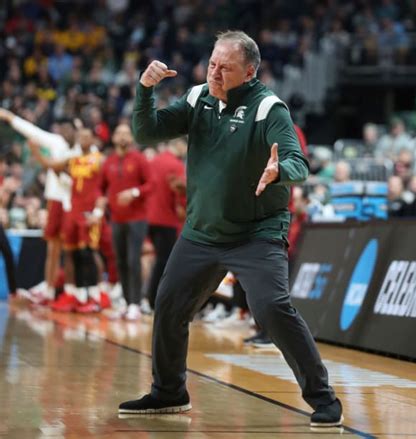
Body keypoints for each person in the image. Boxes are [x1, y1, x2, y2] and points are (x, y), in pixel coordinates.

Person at [119, 30, 343, 428]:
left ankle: (323, 398)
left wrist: (278, 171)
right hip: (202, 232)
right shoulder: (197, 98)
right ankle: (169, 392)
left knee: (272, 308)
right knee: (168, 305)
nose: (215, 73)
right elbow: (146, 132)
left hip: (256, 232)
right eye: (212, 64)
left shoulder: (268, 108)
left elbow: (299, 163)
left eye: (226, 67)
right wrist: (145, 90)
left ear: (251, 72)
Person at [0, 109, 79, 304]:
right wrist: (10, 117)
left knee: (71, 249)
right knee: (52, 247)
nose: (66, 132)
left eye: (70, 128)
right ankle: (50, 289)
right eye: (64, 128)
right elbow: (31, 130)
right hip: (55, 200)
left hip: (74, 203)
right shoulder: (56, 142)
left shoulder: (83, 150)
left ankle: (71, 290)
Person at [29, 127, 107, 312]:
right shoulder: (72, 160)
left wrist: (99, 212)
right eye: (81, 136)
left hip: (90, 213)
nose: (83, 139)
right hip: (73, 210)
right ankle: (73, 294)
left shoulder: (100, 160)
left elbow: (106, 188)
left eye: (87, 136)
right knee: (70, 253)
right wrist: (36, 152)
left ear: (93, 140)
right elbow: (50, 165)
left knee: (90, 253)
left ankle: (99, 295)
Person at [96, 123, 151, 320]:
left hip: (137, 218)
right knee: (119, 260)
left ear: (132, 137)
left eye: (126, 133)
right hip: (116, 220)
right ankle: (127, 303)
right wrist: (100, 201)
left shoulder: (139, 159)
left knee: (133, 259)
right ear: (113, 138)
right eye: (119, 133)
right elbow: (99, 188)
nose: (122, 136)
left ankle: (136, 302)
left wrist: (134, 192)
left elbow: (151, 184)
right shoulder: (109, 162)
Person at [145, 137, 187, 310]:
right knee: (165, 262)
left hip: (149, 218)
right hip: (167, 219)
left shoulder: (153, 161)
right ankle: (154, 299)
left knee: (158, 260)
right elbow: (180, 195)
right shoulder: (176, 165)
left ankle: (150, 298)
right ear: (178, 145)